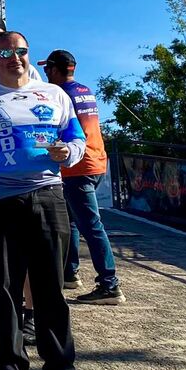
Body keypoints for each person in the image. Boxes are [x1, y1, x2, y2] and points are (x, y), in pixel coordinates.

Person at [0, 31, 90, 370]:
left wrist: (71, 153)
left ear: (28, 55)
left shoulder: (55, 94)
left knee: (51, 287)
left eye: (21, 52)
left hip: (49, 195)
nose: (15, 58)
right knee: (6, 288)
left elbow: (78, 138)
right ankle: (10, 367)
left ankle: (61, 367)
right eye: (6, 52)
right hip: (0, 201)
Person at [42, 49, 125, 305]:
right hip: (97, 160)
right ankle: (70, 273)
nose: (45, 75)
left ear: (55, 70)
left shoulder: (60, 95)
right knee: (73, 221)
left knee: (91, 225)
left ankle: (109, 285)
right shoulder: (84, 90)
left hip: (78, 166)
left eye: (47, 70)